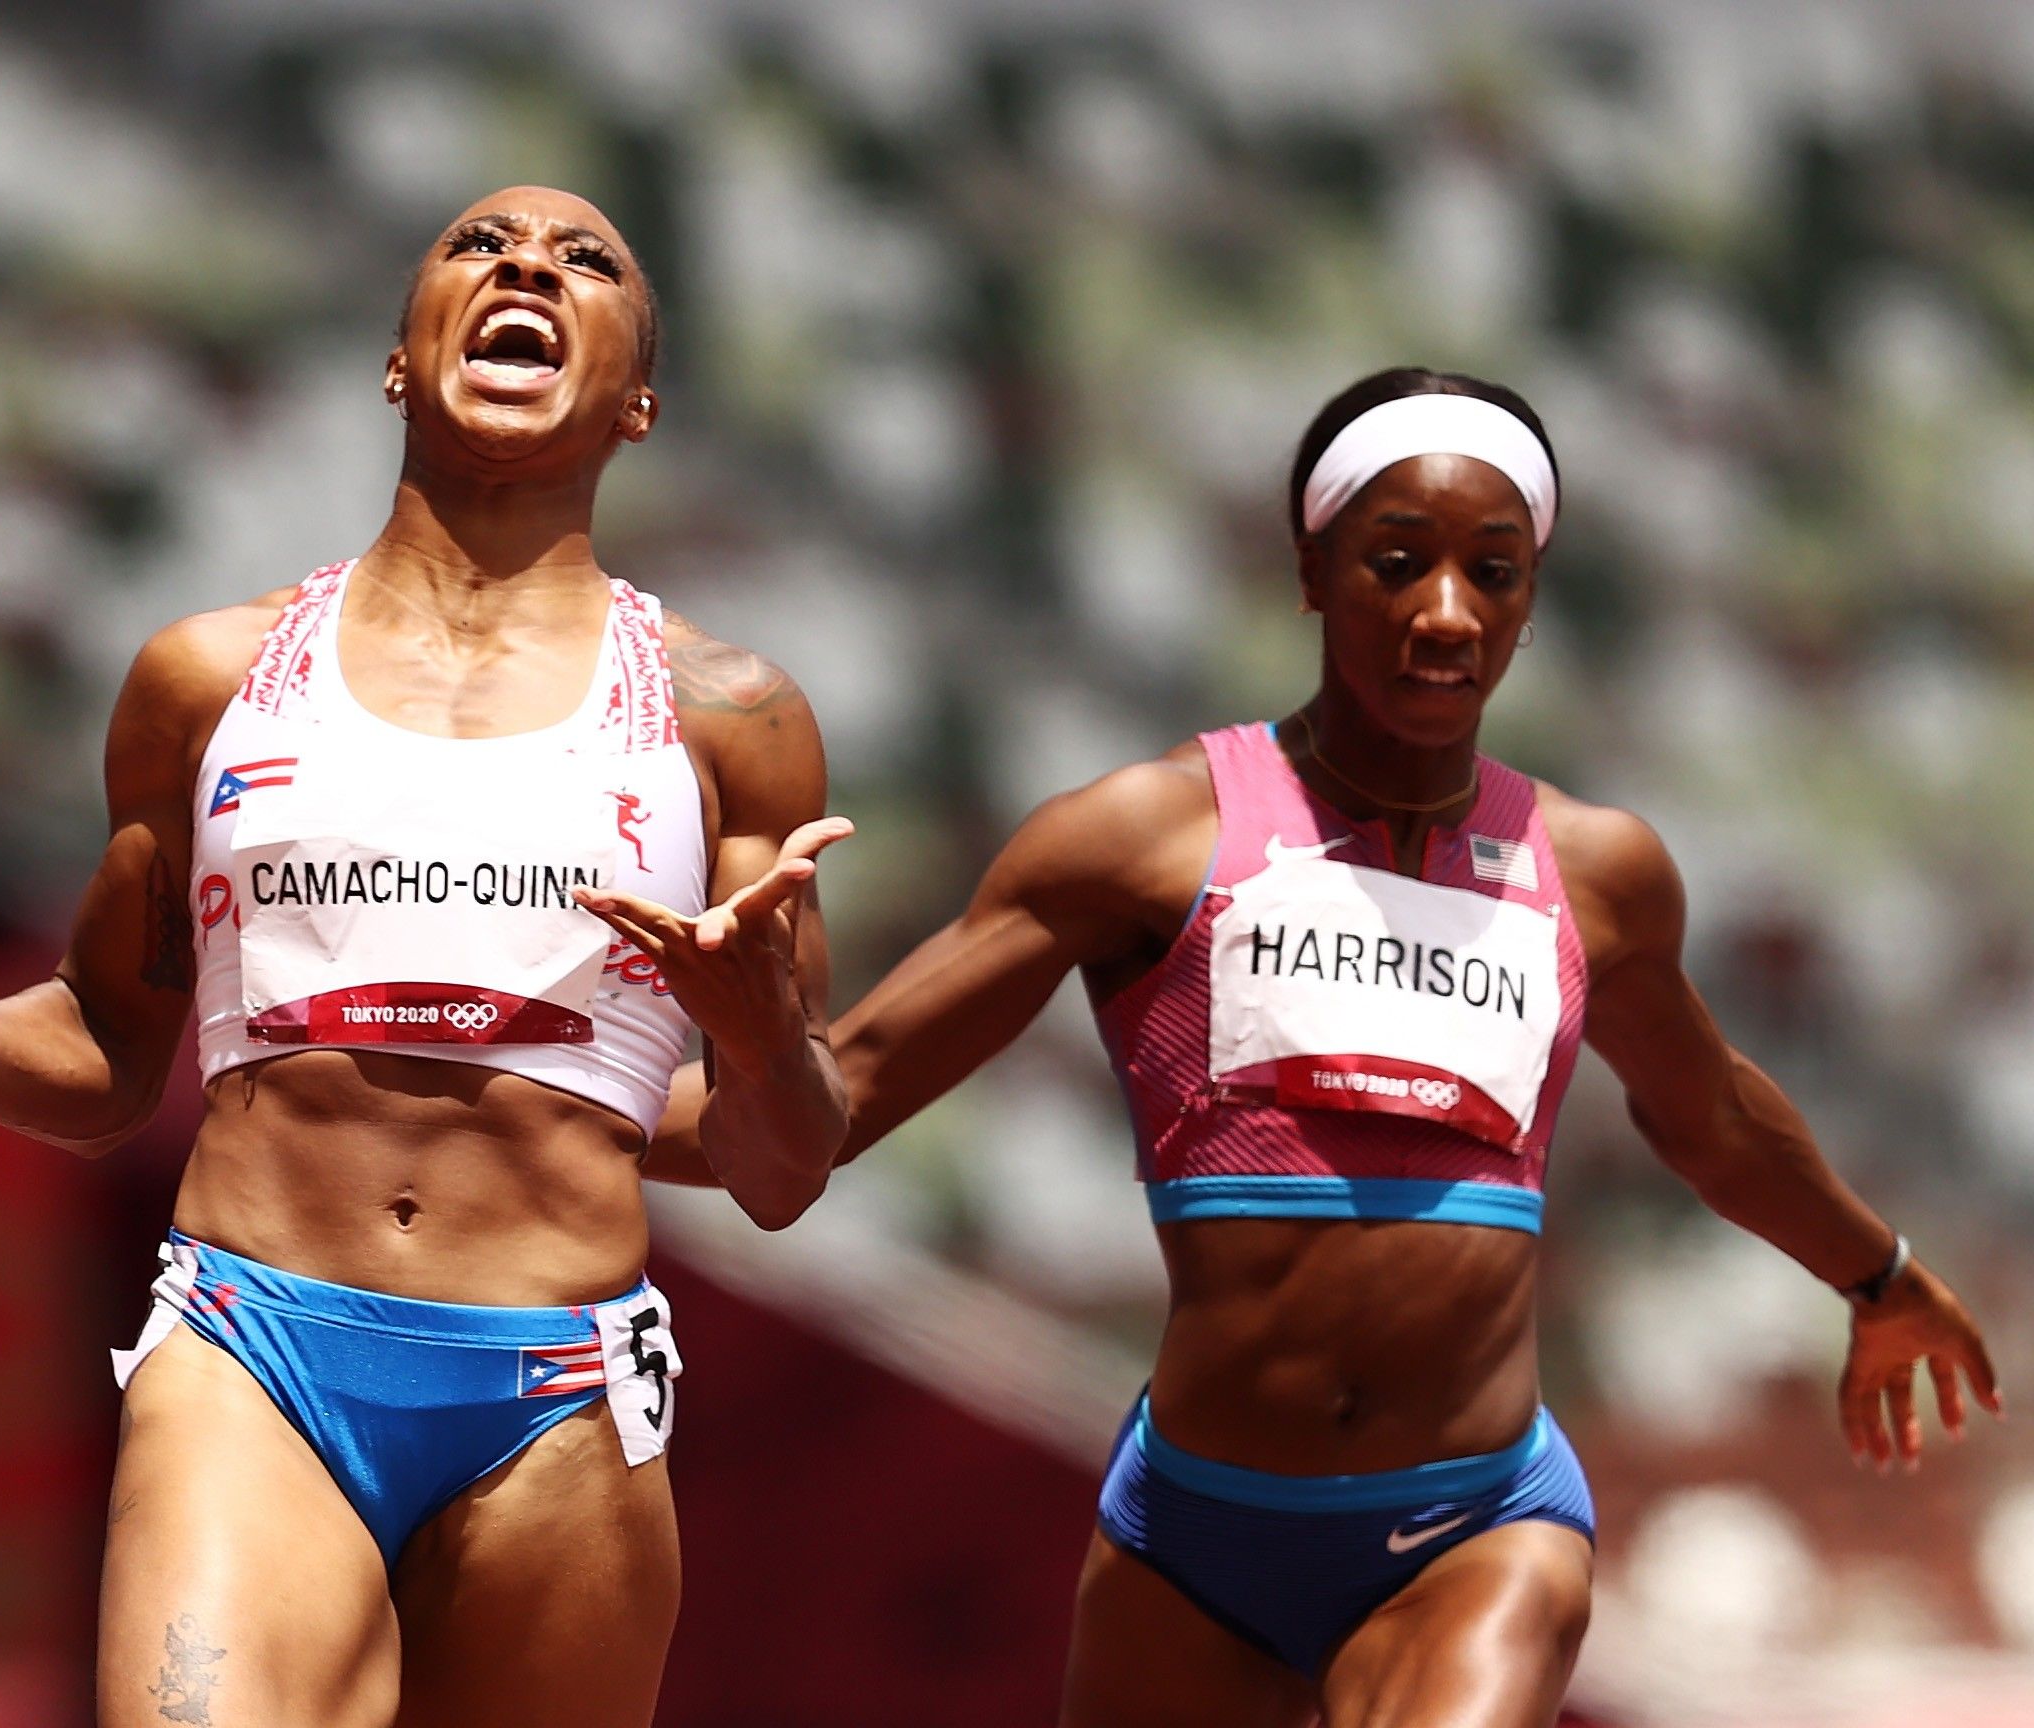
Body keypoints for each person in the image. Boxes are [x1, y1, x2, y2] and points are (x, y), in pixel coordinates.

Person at [650, 366, 2001, 1727]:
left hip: (1473, 1524)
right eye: (1397, 563)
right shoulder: (1140, 839)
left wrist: (1876, 1273)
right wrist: (624, 1097)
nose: (1447, 614)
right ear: (1310, 568)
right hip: (1196, 1541)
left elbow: (1709, 1116)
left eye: (1496, 571)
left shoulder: (1594, 875)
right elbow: (825, 1118)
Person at [0, 185, 851, 1728]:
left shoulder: (733, 719)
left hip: (561, 1395)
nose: (526, 262)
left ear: (640, 400)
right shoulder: (207, 679)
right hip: (257, 1352)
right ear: (401, 358)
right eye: (477, 246)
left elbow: (786, 1165)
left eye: (584, 260)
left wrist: (765, 1029)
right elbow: (112, 1056)